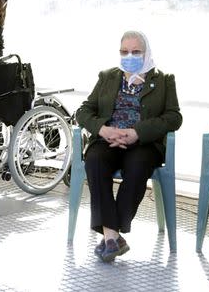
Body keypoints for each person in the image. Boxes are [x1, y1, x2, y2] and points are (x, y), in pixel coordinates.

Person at [75, 31, 181, 263]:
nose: (129, 56)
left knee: (138, 164)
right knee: (94, 160)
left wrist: (137, 133)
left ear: (146, 53)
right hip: (108, 140)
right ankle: (113, 236)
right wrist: (103, 129)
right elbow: (83, 111)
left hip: (143, 143)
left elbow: (174, 117)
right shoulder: (107, 77)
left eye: (136, 52)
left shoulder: (164, 80)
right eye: (124, 52)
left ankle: (111, 234)